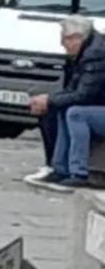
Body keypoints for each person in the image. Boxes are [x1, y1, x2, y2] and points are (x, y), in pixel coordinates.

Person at [26, 14, 105, 191]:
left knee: (76, 113)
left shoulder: (96, 55)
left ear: (76, 38)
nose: (62, 45)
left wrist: (50, 100)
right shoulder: (88, 51)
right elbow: (74, 90)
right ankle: (60, 168)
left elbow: (84, 95)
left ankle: (79, 172)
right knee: (63, 108)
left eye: (64, 40)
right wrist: (51, 100)